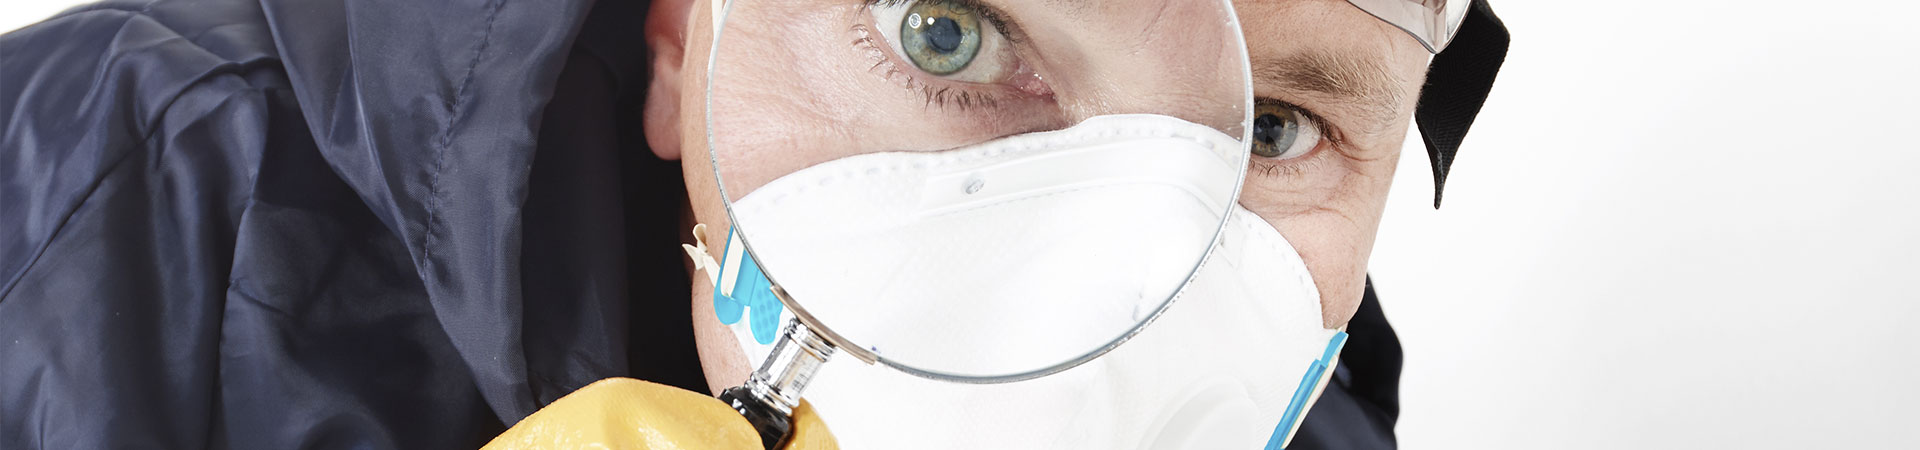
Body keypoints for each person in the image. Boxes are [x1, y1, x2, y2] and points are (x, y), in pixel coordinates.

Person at [0, 0, 1503, 448]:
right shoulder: (114, 198)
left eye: (1269, 129)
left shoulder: (1300, 401)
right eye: (945, 33)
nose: (1116, 277)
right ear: (679, 40)